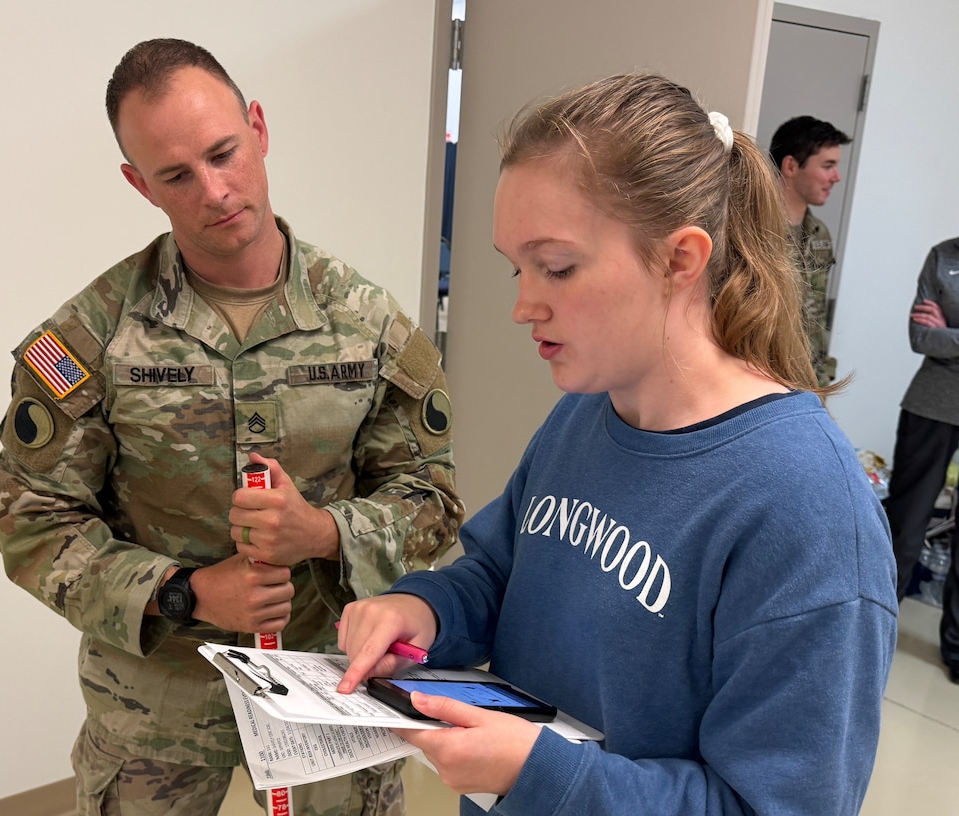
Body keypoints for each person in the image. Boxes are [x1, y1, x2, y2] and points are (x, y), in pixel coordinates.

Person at [336, 75, 897, 814]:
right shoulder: (589, 412)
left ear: (680, 259)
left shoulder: (808, 510)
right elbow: (504, 574)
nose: (522, 305)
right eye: (517, 267)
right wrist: (426, 609)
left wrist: (538, 774)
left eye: (558, 267)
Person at [0, 38, 463, 816]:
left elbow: (432, 500)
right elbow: (29, 520)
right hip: (159, 706)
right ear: (140, 184)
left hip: (326, 677)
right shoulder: (91, 339)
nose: (215, 190)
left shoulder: (366, 324)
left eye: (224, 153)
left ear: (259, 129)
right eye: (177, 174)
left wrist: (325, 533)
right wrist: (187, 593)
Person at [885, 237, 959, 683]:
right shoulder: (943, 256)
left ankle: (956, 649)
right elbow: (919, 336)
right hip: (930, 406)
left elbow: (937, 337)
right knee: (904, 528)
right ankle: (872, 628)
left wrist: (948, 332)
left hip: (937, 388)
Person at [769, 115, 851, 386]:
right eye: (828, 166)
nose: (836, 177)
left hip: (808, 381)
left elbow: (817, 315)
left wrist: (821, 380)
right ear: (791, 166)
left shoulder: (819, 234)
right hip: (760, 381)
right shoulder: (751, 228)